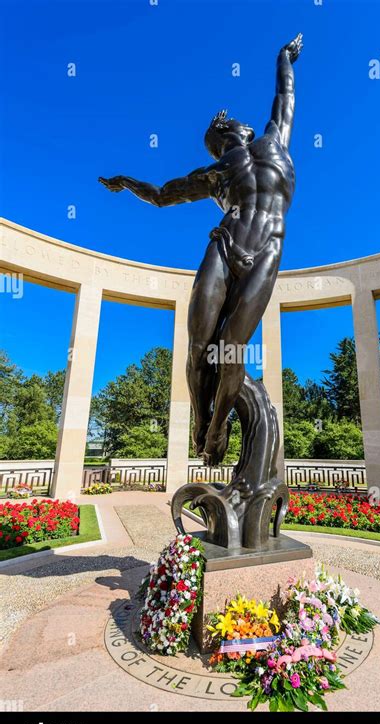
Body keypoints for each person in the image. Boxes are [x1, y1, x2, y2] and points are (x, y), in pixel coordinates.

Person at [99, 33, 303, 466]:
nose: (245, 122)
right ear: (226, 133)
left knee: (231, 346)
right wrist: (128, 183)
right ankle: (200, 416)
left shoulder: (273, 144)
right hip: (224, 244)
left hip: (266, 250)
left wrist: (284, 58)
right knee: (199, 347)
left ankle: (218, 425)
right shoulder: (215, 172)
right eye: (235, 123)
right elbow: (160, 195)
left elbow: (284, 96)